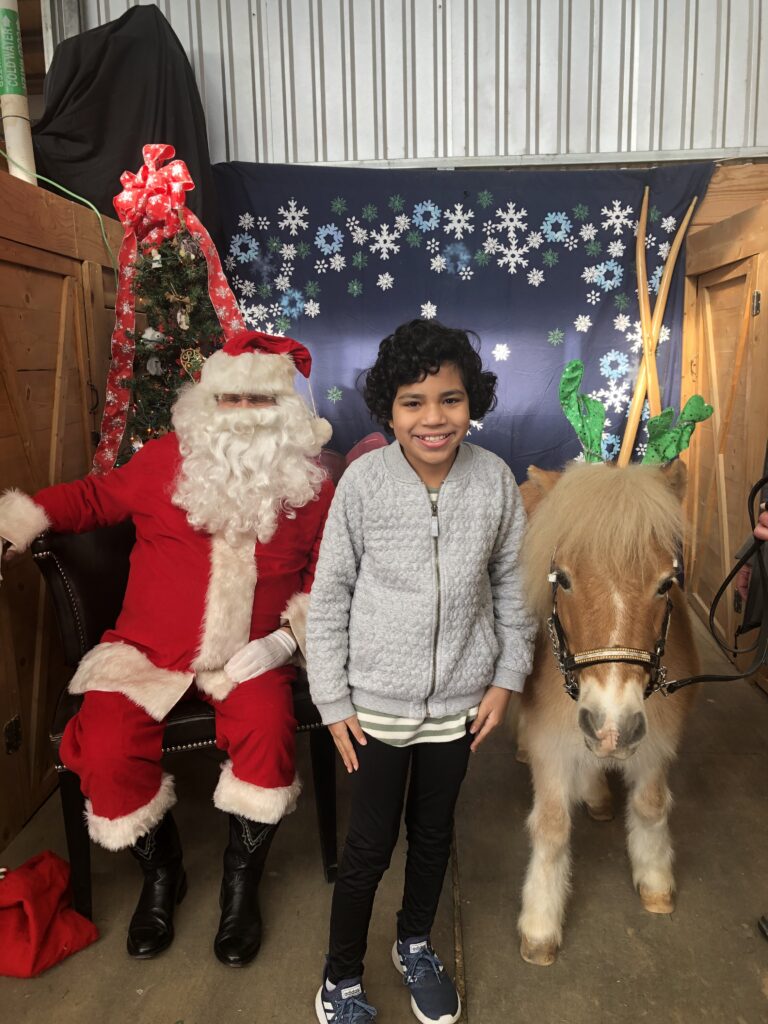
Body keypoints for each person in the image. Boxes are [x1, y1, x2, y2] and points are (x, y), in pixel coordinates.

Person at [0, 330, 334, 966]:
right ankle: (163, 870)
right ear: (206, 403)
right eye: (228, 398)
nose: (241, 414)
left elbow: (331, 576)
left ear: (286, 409)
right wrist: (15, 526)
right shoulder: (163, 461)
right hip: (146, 650)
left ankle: (242, 880)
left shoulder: (316, 487)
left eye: (257, 402)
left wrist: (288, 639)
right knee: (100, 745)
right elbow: (92, 498)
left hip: (250, 657)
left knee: (268, 732)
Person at [306, 320, 536, 1024]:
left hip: (459, 704)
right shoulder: (363, 484)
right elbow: (330, 594)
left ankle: (414, 942)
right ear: (388, 409)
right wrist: (332, 698)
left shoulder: (495, 480)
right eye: (413, 401)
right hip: (374, 704)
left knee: (435, 835)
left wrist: (506, 678)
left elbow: (513, 589)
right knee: (370, 846)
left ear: (473, 402)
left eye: (450, 398)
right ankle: (340, 979)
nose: (433, 418)